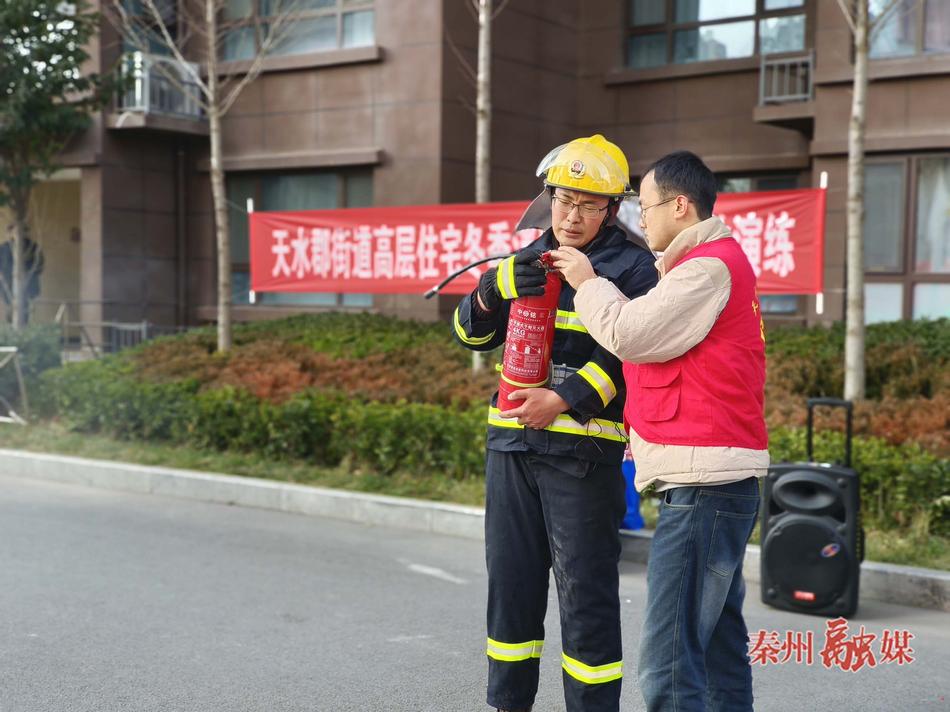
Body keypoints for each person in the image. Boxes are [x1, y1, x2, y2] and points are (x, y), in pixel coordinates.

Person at [551, 150, 769, 712]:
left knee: (669, 661)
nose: (639, 219)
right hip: (714, 483)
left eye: (644, 207)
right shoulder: (699, 265)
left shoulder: (706, 268)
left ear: (679, 206)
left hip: (704, 489)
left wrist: (587, 279)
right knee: (716, 649)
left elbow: (630, 334)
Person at [452, 135, 658, 712]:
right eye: (564, 200)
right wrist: (492, 290)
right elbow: (470, 336)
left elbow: (633, 357)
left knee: (585, 596)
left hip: (582, 457)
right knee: (511, 587)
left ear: (610, 210)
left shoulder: (634, 270)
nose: (571, 216)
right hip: (511, 447)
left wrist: (564, 399)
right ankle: (507, 703)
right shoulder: (527, 258)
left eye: (588, 205)